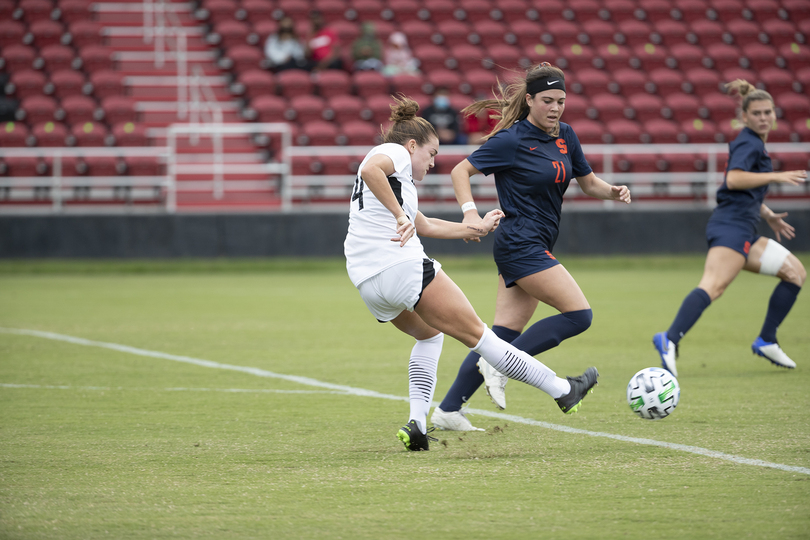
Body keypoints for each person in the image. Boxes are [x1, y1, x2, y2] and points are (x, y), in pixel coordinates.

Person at [344, 95, 600, 451]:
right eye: (431, 154)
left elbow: (425, 224)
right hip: (400, 267)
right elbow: (374, 174)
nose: (432, 162)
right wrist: (401, 217)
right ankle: (562, 390)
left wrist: (474, 228)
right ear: (413, 145)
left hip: (368, 281)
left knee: (430, 336)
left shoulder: (399, 182)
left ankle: (417, 424)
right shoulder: (395, 154)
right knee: (484, 339)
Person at [429, 63, 631, 432]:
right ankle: (500, 364)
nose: (555, 108)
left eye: (561, 101)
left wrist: (613, 191)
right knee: (579, 315)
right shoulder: (512, 139)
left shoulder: (566, 135)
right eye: (547, 101)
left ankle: (449, 409)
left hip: (534, 242)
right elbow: (461, 171)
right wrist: (470, 214)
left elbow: (587, 183)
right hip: (519, 243)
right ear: (530, 100)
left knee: (501, 336)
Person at [652, 80, 807, 376]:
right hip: (731, 227)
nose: (763, 117)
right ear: (745, 117)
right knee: (713, 286)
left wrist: (768, 213)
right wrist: (776, 176)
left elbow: (744, 189)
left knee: (795, 273)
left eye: (768, 112)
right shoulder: (748, 142)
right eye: (757, 113)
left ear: (775, 115)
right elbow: (735, 180)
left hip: (745, 226)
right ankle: (669, 339)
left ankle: (767, 339)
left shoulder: (755, 143)